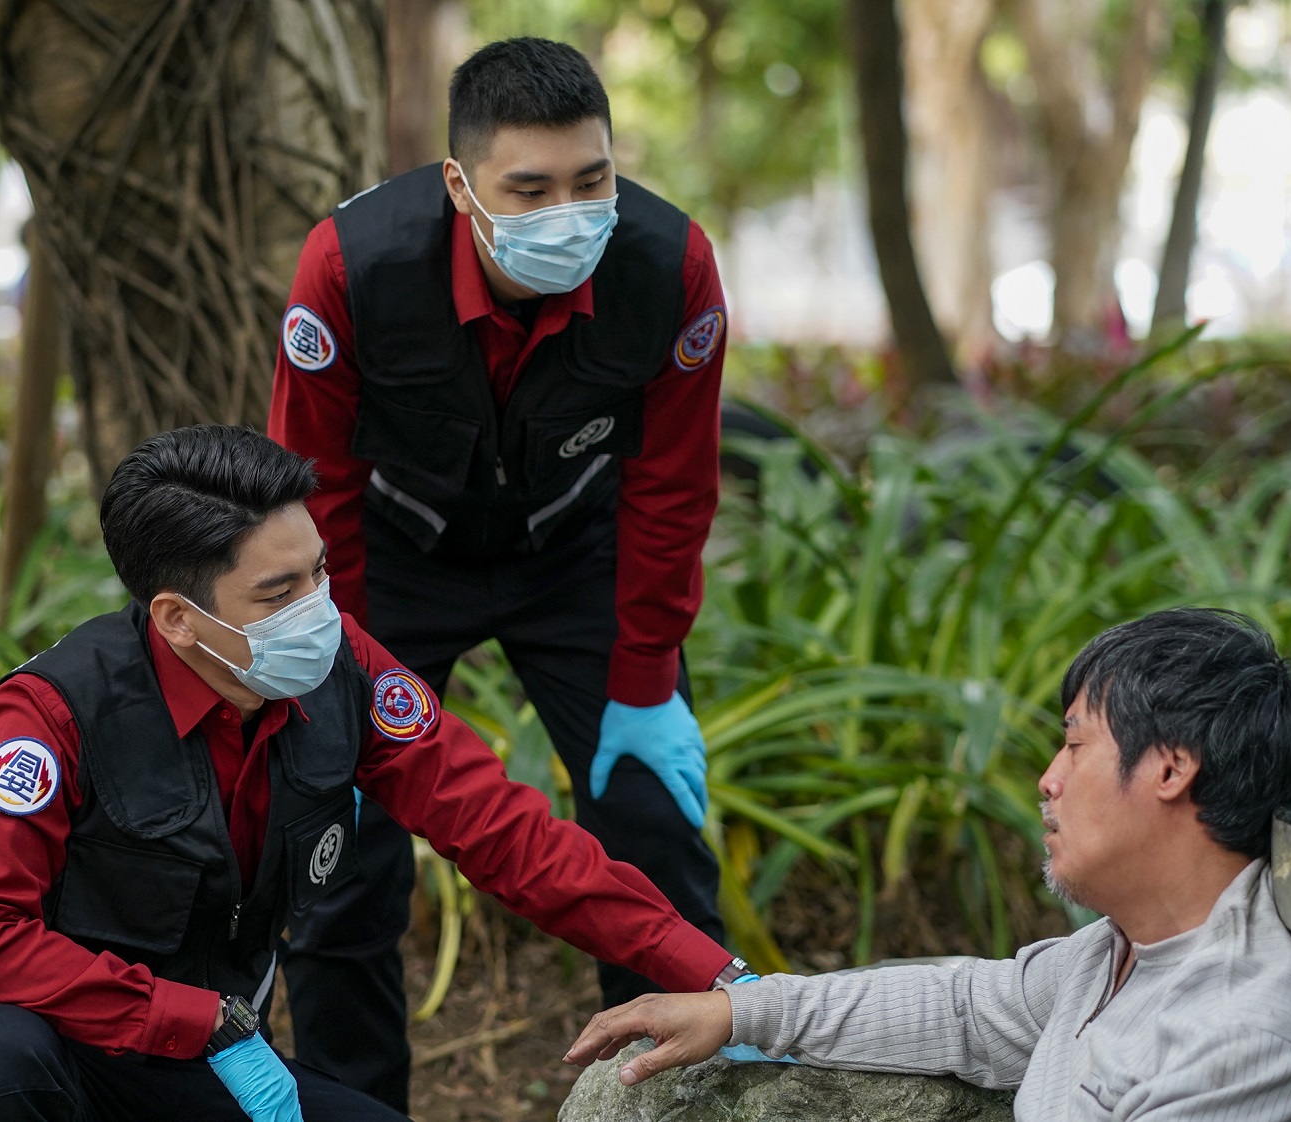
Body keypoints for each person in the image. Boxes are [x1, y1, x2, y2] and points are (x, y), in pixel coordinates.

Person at [0, 425, 749, 1122]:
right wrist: (191, 1018)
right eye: (278, 593)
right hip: (66, 1059)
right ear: (178, 620)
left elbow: (500, 829)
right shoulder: (49, 718)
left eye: (321, 573)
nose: (318, 611)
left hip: (211, 1064)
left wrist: (714, 975)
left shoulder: (342, 670)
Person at [269, 37, 730, 1109]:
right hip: (388, 557)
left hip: (575, 552)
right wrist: (337, 679)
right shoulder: (350, 266)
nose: (566, 211)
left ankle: (677, 1093)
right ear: (459, 184)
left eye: (591, 179)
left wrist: (647, 674)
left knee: (650, 817)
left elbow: (671, 484)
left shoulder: (669, 267)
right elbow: (314, 489)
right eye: (528, 188)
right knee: (343, 862)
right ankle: (356, 1104)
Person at [565, 608, 1291, 1122]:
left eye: (1076, 743)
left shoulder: (1244, 1044)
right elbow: (962, 1006)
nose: (1048, 780)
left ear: (1172, 769)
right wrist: (742, 1013)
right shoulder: (1121, 950)